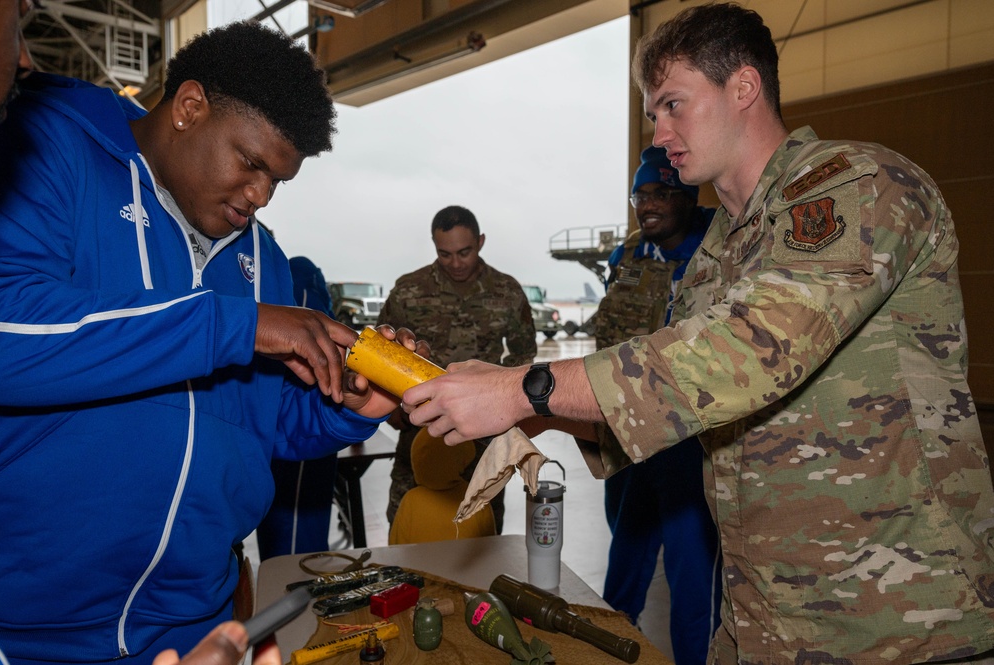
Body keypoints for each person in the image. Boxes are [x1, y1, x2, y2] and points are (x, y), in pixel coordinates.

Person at [403, 3, 994, 663]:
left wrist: (528, 386)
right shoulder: (718, 250)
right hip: (762, 620)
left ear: (741, 88)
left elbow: (750, 352)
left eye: (672, 105)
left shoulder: (859, 186)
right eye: (652, 113)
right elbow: (677, 403)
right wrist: (541, 412)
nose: (658, 133)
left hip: (898, 621)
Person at [0, 21, 425, 665]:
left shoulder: (265, 260)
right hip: (29, 631)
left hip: (198, 627)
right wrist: (237, 324)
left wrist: (346, 409)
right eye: (251, 163)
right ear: (189, 108)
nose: (259, 195)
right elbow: (6, 334)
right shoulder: (44, 152)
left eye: (277, 181)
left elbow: (263, 421)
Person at [596, 146, 719, 665]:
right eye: (640, 194)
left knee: (693, 577)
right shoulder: (627, 257)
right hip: (630, 436)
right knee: (623, 561)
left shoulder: (721, 244)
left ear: (687, 196)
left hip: (690, 442)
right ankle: (605, 653)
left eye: (661, 193)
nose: (647, 205)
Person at [377, 204, 536, 534]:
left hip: (483, 437)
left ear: (480, 241)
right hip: (420, 432)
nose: (456, 263)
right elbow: (382, 353)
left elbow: (524, 355)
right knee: (410, 528)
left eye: (464, 252)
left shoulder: (507, 291)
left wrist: (504, 401)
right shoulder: (409, 290)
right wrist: (391, 407)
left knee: (481, 534)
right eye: (444, 254)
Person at [256, 256, 341, 559]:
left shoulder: (298, 276)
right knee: (294, 548)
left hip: (300, 418)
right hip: (297, 419)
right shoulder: (300, 275)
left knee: (292, 553)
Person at [388, 429, 496, 545]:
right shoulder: (475, 497)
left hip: (417, 563)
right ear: (465, 457)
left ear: (415, 458)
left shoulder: (410, 499)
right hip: (468, 563)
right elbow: (489, 546)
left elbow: (397, 546)